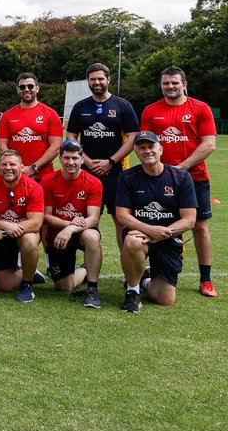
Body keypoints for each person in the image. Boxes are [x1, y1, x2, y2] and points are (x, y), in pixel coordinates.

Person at [139, 66, 217, 297]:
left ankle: (206, 279)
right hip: (157, 179)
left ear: (185, 84)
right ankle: (142, 273)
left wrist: (181, 168)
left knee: (199, 225)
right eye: (165, 83)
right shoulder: (151, 111)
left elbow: (209, 144)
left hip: (194, 177)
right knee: (153, 220)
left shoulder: (200, 108)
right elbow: (145, 145)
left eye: (174, 83)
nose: (170, 87)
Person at [115, 131, 198, 312]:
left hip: (168, 238)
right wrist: (150, 231)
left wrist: (162, 233)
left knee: (165, 298)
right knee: (132, 241)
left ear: (160, 149)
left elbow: (189, 220)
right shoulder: (127, 177)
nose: (147, 151)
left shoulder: (181, 178)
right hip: (140, 235)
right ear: (135, 151)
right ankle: (132, 291)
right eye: (141, 147)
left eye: (151, 146)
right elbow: (122, 216)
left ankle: (145, 280)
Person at [65, 62, 139, 231]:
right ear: (88, 81)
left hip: (115, 172)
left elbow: (133, 136)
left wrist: (111, 161)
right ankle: (90, 258)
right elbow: (71, 137)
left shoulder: (122, 105)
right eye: (92, 79)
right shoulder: (80, 106)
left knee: (121, 221)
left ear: (108, 79)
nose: (96, 83)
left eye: (100, 79)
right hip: (85, 172)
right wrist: (87, 161)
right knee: (86, 221)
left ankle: (125, 258)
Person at [39, 140, 103, 307]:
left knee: (92, 236)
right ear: (60, 159)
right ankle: (85, 269)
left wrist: (71, 229)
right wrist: (68, 224)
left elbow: (93, 218)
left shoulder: (93, 182)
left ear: (82, 159)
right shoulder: (48, 180)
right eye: (66, 158)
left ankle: (92, 289)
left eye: (75, 158)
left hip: (81, 231)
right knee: (64, 286)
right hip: (58, 234)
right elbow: (46, 216)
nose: (71, 162)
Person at [0, 149, 45, 303]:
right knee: (4, 286)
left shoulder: (34, 187)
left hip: (20, 233)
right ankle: (30, 271)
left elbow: (35, 223)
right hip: (1, 234)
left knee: (29, 240)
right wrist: (3, 224)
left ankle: (27, 285)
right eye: (4, 164)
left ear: (21, 167)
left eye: (13, 164)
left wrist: (3, 232)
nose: (8, 167)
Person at [0, 72, 63, 180]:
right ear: (17, 89)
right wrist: (17, 166)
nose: (26, 89)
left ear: (37, 88)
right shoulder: (7, 116)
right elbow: (2, 147)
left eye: (30, 86)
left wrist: (33, 167)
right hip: (16, 175)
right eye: (22, 87)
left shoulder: (50, 114)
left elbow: (55, 148)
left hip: (43, 175)